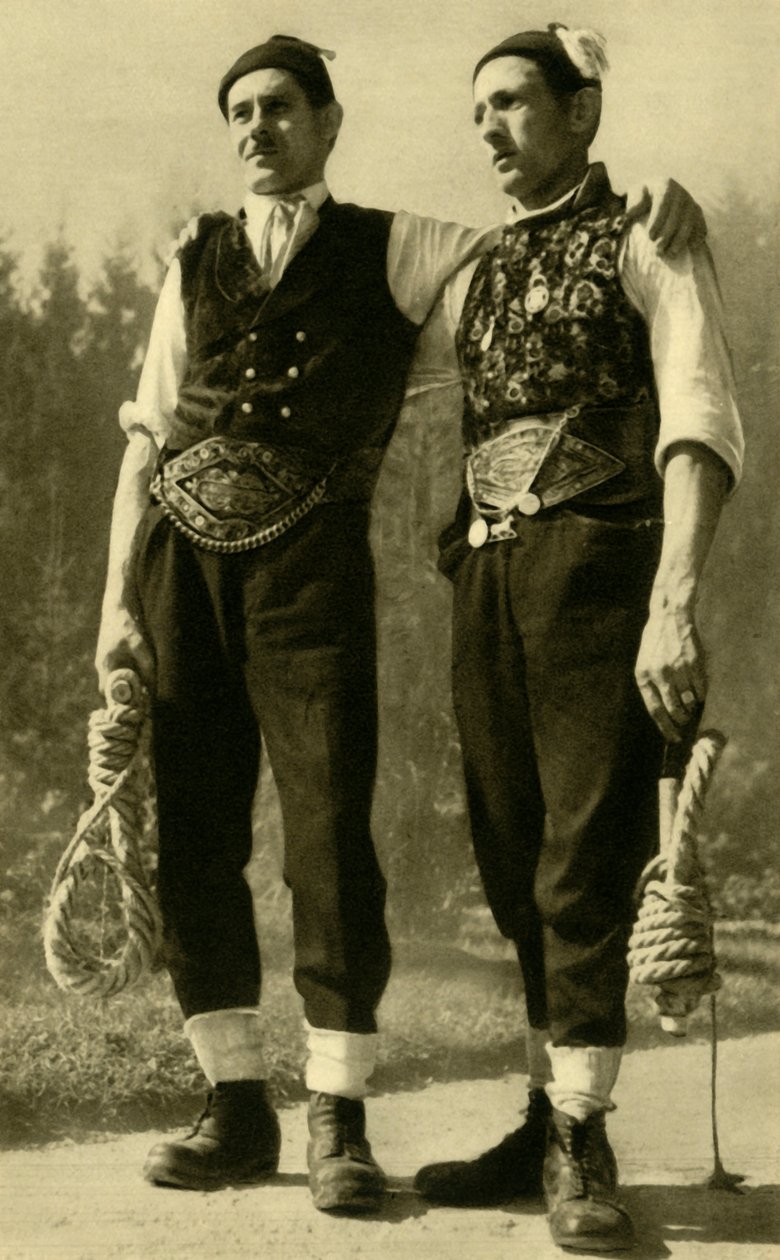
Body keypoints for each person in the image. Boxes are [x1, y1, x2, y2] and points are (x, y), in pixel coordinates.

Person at [94, 32, 705, 1215]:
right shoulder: (195, 259)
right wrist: (118, 605)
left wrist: (645, 203)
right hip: (179, 570)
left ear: (328, 124)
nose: (255, 130)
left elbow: (543, 249)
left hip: (309, 576)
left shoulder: (409, 246)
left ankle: (338, 1117)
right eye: (238, 114)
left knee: (328, 836)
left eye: (279, 109)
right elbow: (144, 436)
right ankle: (230, 1104)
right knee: (194, 842)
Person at [412, 24, 744, 1252]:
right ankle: (546, 1108)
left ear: (582, 113)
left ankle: (581, 1139)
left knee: (581, 850)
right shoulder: (476, 265)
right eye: (479, 109)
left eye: (513, 103)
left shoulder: (648, 236)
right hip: (489, 577)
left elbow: (700, 413)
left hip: (600, 567)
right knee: (507, 847)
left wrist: (673, 599)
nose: (491, 127)